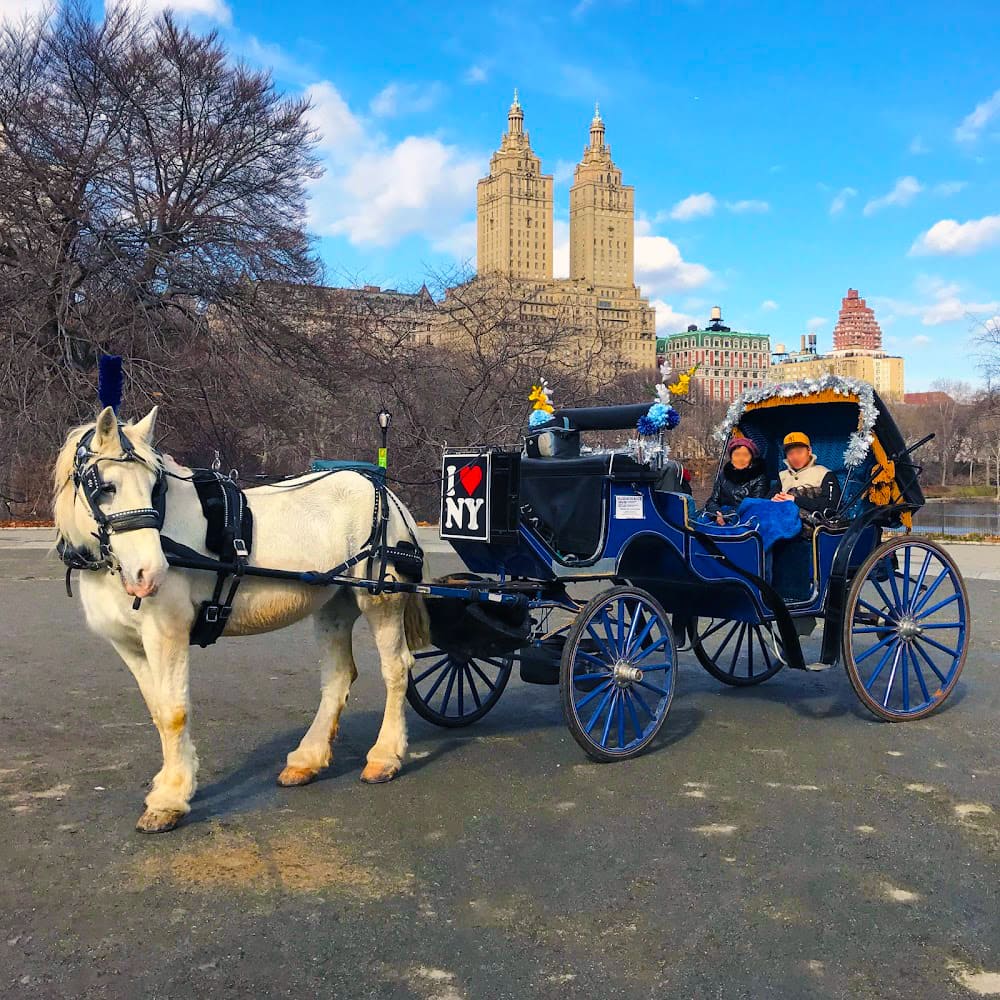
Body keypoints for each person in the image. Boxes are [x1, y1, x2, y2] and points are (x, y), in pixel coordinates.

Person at [704, 437, 770, 525]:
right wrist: (717, 514)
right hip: (719, 515)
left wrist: (726, 517)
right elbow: (713, 500)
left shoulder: (759, 478)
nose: (740, 459)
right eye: (736, 455)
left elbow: (754, 505)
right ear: (731, 458)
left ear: (751, 459)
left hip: (745, 518)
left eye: (745, 455)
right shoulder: (723, 476)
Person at [772, 432, 841, 514]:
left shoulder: (824, 474)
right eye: (790, 454)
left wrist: (795, 500)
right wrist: (773, 500)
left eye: (799, 452)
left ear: (809, 451)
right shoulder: (783, 475)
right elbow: (768, 498)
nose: (795, 457)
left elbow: (831, 506)